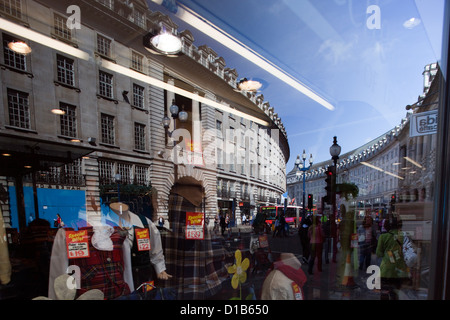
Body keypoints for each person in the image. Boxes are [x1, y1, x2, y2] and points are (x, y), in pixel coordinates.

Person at [376, 214, 410, 300]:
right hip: (399, 271)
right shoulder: (403, 236)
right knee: (395, 295)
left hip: (386, 270)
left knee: (384, 294)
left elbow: (378, 253)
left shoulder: (383, 237)